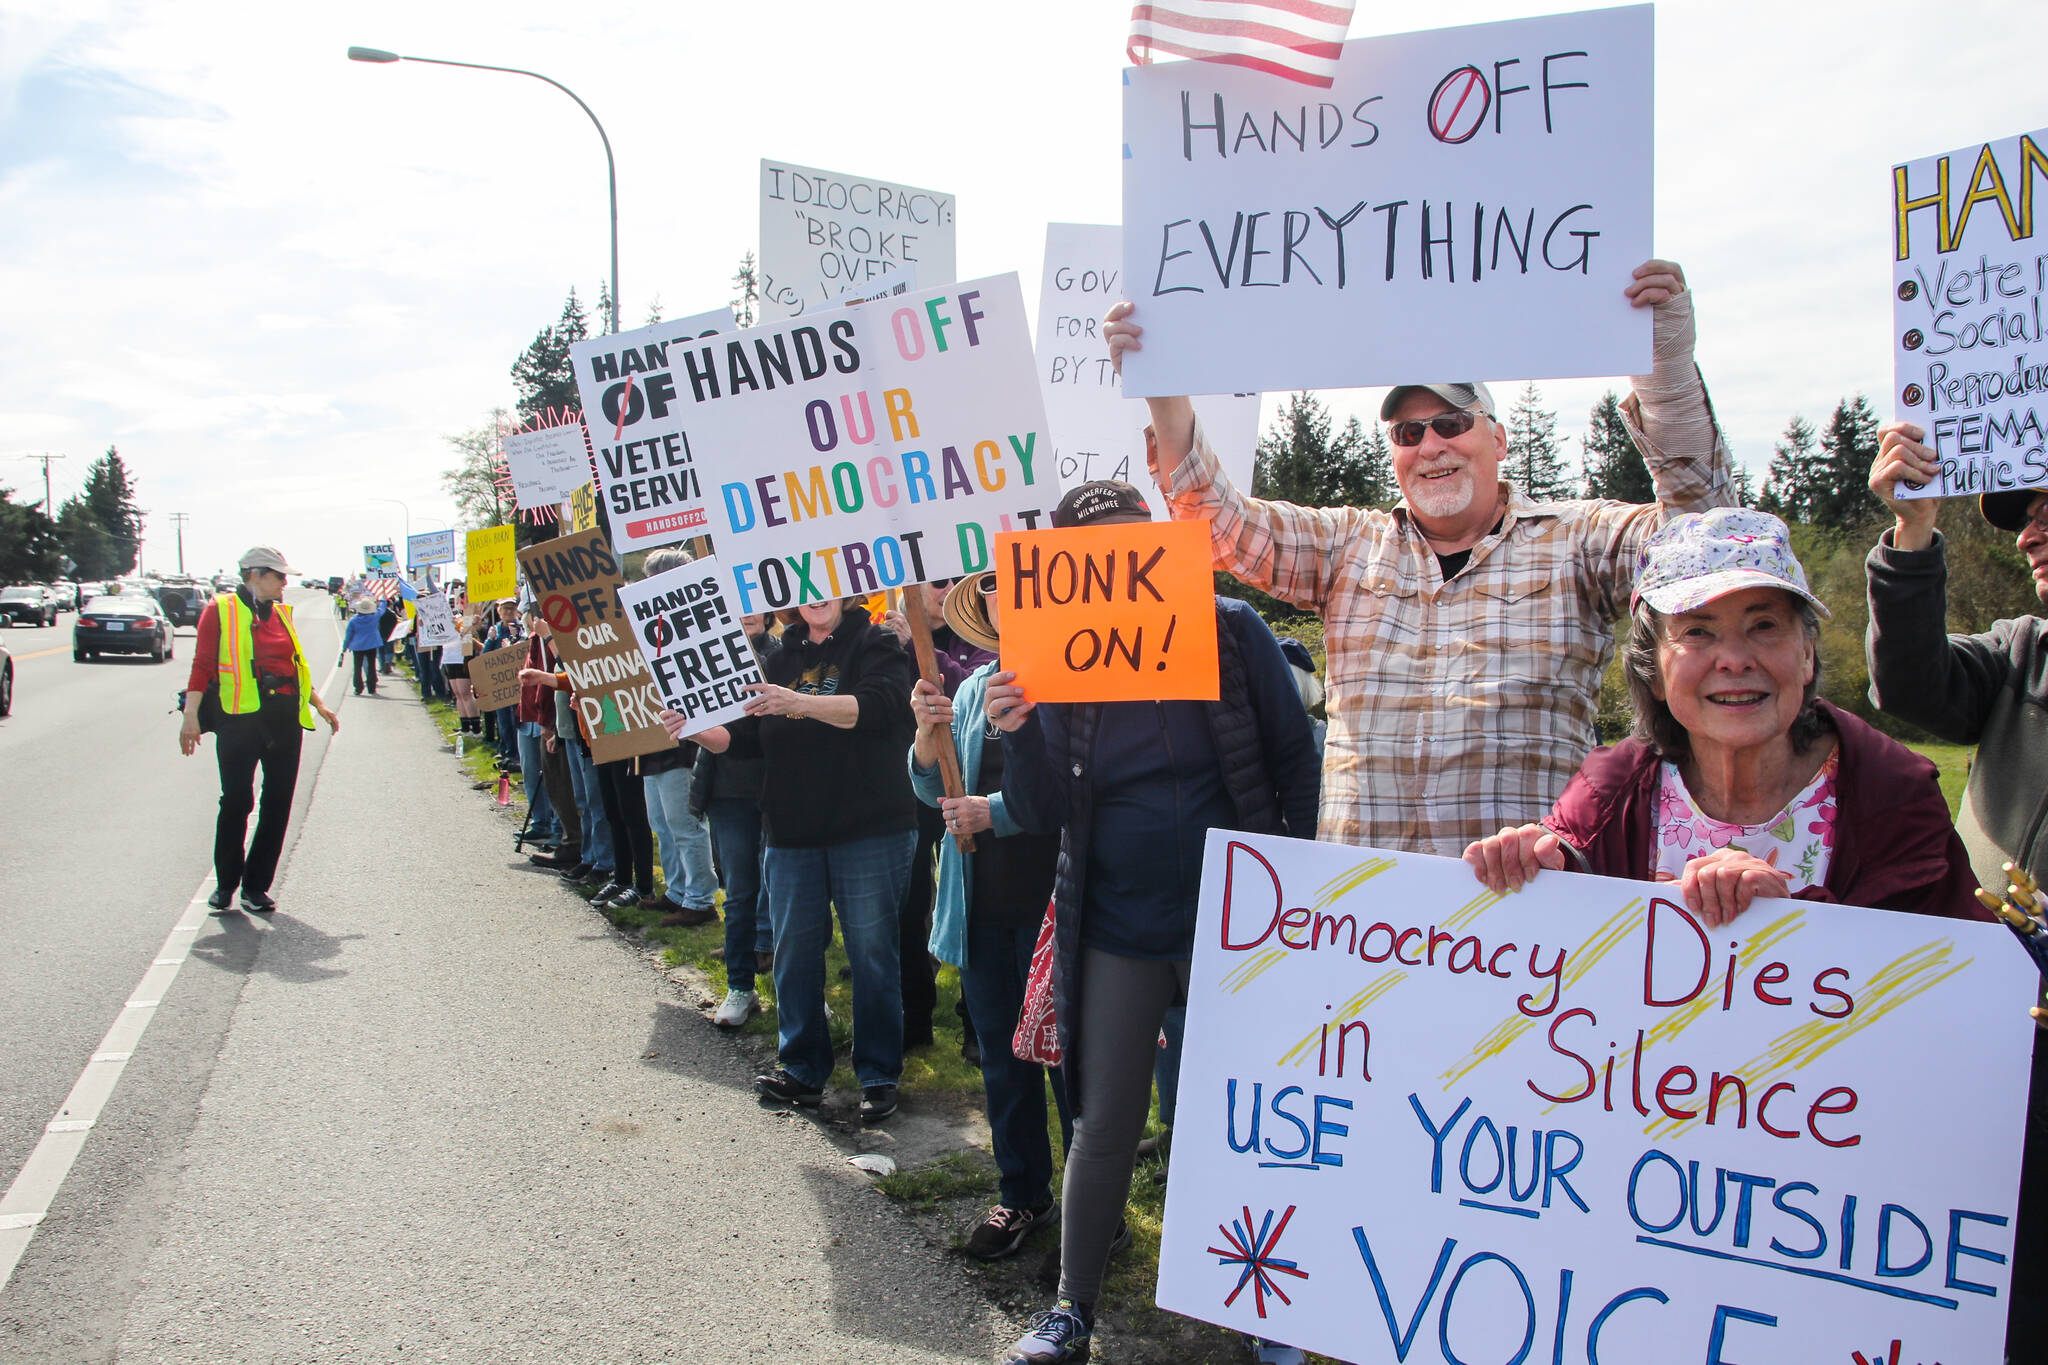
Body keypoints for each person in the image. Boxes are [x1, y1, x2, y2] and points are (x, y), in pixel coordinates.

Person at [1101, 260, 1732, 854]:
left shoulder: (1578, 540)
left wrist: (1665, 362)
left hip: (1529, 914)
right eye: (1408, 433)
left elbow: (1704, 538)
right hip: (1365, 924)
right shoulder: (1347, 546)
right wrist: (1166, 388)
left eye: (1452, 423)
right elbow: (1220, 527)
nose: (1430, 445)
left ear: (1499, 437)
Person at [987, 481, 1321, 1365]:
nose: (1118, 562)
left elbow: (1297, 762)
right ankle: (1072, 1311)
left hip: (1241, 926)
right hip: (1118, 927)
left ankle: (1266, 1303)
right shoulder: (1051, 660)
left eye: (1133, 543)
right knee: (1104, 1119)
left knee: (1249, 1117)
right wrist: (1019, 731)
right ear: (1064, 568)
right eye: (1094, 550)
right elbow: (1036, 806)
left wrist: (1295, 895)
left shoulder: (1233, 630)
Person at [1462, 507, 1986, 925]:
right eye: (1698, 632)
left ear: (1806, 654)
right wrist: (1535, 868)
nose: (1735, 659)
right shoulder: (1609, 793)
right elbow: (1556, 941)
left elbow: (1951, 984)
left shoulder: (1893, 796)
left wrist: (1788, 921)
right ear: (1655, 672)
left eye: (1764, 625)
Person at [1864, 431, 2048, 1357]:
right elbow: (1910, 683)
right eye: (2027, 516)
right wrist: (1913, 532)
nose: (2029, 534)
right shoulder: (2021, 654)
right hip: (1993, 1028)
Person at [909, 573, 1070, 1263]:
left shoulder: (1076, 685)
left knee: (1073, 1068)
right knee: (1005, 1063)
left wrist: (992, 812)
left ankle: (1099, 1208)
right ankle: (1023, 1192)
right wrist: (924, 736)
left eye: (1023, 580)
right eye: (998, 585)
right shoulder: (971, 691)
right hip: (982, 912)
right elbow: (930, 789)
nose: (1012, 594)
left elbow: (1075, 792)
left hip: (1059, 917)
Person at [736, 594, 918, 1122]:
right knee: (793, 954)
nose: (815, 598)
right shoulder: (778, 655)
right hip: (791, 833)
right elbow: (744, 736)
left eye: (825, 585)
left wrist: (798, 703)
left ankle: (879, 1075)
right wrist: (689, 727)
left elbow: (880, 706)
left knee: (872, 955)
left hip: (870, 828)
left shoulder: (878, 640)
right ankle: (802, 1070)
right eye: (803, 588)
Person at [180, 546, 339, 914]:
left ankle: (256, 886)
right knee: (236, 800)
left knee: (278, 802)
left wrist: (319, 704)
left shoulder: (282, 613)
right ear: (255, 575)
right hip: (240, 718)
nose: (285, 582)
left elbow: (296, 664)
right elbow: (202, 664)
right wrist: (191, 715)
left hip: (283, 718)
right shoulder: (219, 610)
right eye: (279, 576)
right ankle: (226, 884)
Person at [885, 577, 997, 1050]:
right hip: (908, 792)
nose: (944, 590)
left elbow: (962, 685)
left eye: (953, 582)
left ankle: (975, 1022)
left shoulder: (977, 641)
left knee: (976, 896)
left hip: (971, 802)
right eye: (934, 583)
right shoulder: (883, 638)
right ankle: (916, 1015)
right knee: (910, 902)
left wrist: (920, 645)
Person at [675, 612, 783, 1027]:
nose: (748, 615)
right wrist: (689, 727)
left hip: (782, 791)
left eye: (754, 604)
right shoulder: (704, 661)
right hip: (729, 795)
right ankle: (740, 987)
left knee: (791, 892)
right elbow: (711, 731)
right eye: (738, 606)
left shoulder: (786, 656)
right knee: (739, 893)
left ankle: (799, 987)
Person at [637, 548, 720, 927]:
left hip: (684, 742)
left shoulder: (694, 625)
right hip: (652, 739)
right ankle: (677, 890)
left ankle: (700, 899)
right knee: (661, 821)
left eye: (652, 577)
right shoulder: (645, 628)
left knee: (684, 823)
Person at [342, 595, 384, 696]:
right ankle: (371, 687)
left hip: (357, 646)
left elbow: (348, 635)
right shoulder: (374, 617)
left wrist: (345, 647)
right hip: (372, 644)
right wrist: (383, 600)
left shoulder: (353, 620)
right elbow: (382, 609)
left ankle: (358, 688)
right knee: (371, 666)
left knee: (357, 667)